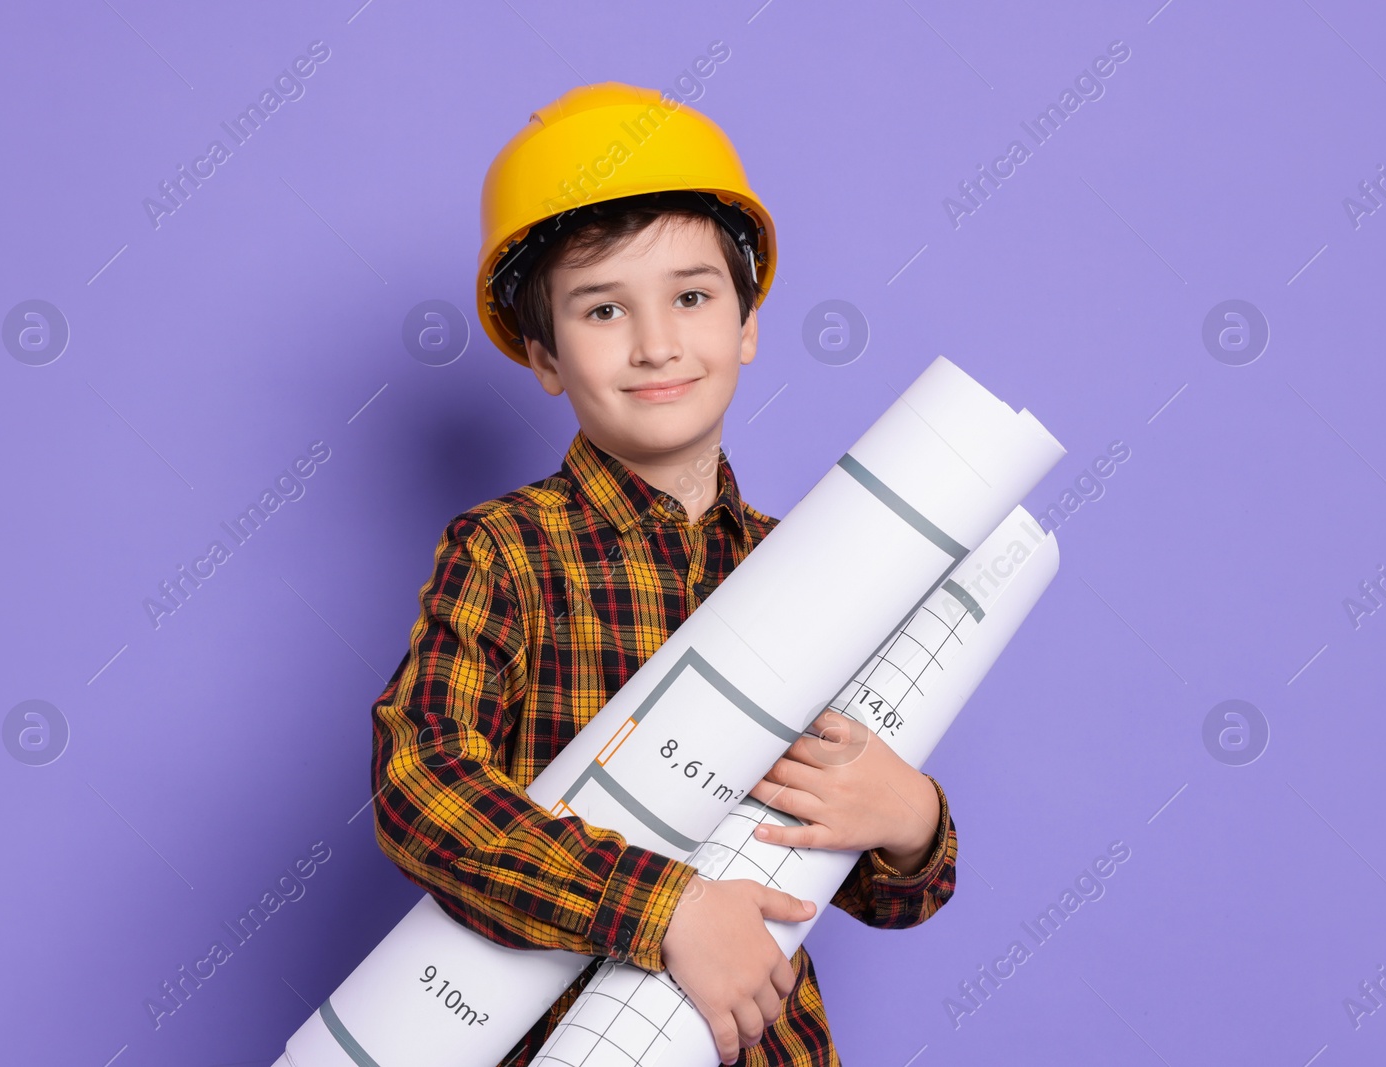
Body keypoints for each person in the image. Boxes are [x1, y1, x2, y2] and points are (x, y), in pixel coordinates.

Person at [371, 82, 957, 1067]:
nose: (655, 344)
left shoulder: (820, 563)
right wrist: (664, 906)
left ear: (746, 322)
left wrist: (911, 820)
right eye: (603, 309)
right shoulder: (509, 548)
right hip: (565, 1038)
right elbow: (422, 787)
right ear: (543, 354)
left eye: (691, 296)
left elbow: (880, 893)